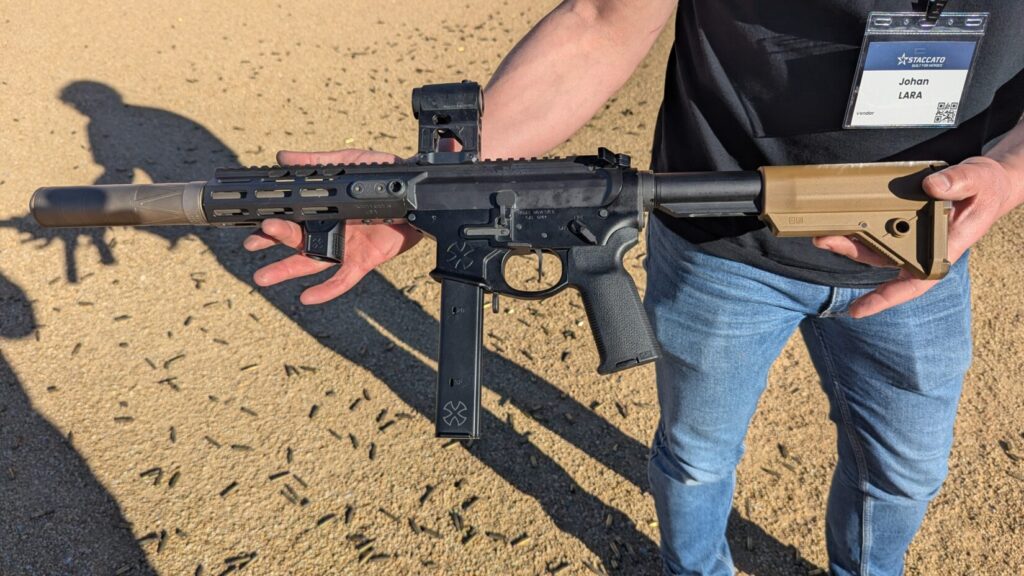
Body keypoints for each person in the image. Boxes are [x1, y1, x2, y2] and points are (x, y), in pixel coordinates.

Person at [241, 1, 1024, 574]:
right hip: (719, 242)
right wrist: (435, 187)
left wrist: (1011, 169)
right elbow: (602, 19)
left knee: (906, 473)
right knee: (696, 456)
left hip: (921, 249)